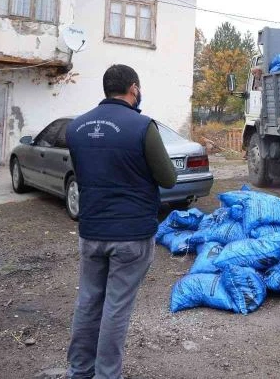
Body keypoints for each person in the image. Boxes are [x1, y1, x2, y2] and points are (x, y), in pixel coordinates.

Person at [65, 64, 176, 379]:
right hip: (131, 235)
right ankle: (107, 374)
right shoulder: (142, 127)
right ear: (134, 89)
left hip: (91, 231)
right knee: (116, 307)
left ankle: (80, 371)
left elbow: (85, 173)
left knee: (88, 300)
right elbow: (168, 178)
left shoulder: (75, 128)